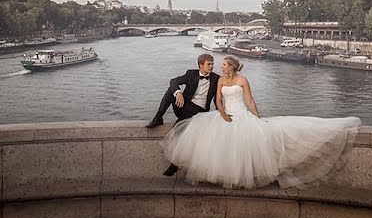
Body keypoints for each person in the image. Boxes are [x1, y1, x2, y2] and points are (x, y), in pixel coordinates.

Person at [159, 55, 360, 189]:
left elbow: (250, 100)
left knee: (245, 146)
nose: (220, 67)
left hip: (242, 114)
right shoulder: (220, 80)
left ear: (232, 67)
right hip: (225, 115)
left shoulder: (242, 80)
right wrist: (222, 114)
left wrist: (257, 117)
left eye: (223, 65)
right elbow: (218, 101)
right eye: (217, 65)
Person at [145, 53, 220, 175]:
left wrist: (220, 114)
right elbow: (173, 81)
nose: (211, 66)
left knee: (178, 130)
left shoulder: (217, 78)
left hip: (199, 111)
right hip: (184, 105)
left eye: (212, 64)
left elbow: (218, 99)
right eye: (209, 64)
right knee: (172, 89)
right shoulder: (191, 73)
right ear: (200, 65)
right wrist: (178, 92)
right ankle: (158, 117)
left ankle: (175, 164)